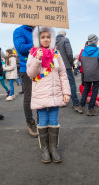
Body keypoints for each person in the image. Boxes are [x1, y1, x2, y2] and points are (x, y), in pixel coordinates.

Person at [27, 26, 71, 163]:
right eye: (42, 37)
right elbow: (30, 74)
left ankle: (53, 148)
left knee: (54, 121)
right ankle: (45, 149)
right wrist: (37, 59)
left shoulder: (56, 54)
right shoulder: (33, 53)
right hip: (41, 94)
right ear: (37, 39)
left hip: (55, 93)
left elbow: (63, 73)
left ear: (51, 38)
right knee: (43, 121)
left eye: (48, 37)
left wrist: (66, 92)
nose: (46, 39)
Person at [13, 25, 38, 137]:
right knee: (29, 95)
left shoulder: (38, 29)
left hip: (40, 67)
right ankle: (30, 122)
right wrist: (36, 45)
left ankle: (41, 120)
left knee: (41, 94)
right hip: (26, 67)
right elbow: (20, 48)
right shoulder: (19, 31)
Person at [76, 34, 99, 116]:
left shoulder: (84, 50)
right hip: (96, 72)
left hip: (87, 73)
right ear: (96, 41)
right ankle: (90, 109)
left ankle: (81, 107)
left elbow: (80, 60)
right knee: (95, 90)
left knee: (86, 89)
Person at [56, 30, 79, 110]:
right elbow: (69, 53)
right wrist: (71, 64)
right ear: (64, 35)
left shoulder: (53, 42)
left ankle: (62, 101)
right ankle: (75, 102)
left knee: (59, 83)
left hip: (56, 66)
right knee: (71, 83)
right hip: (66, 65)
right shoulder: (65, 40)